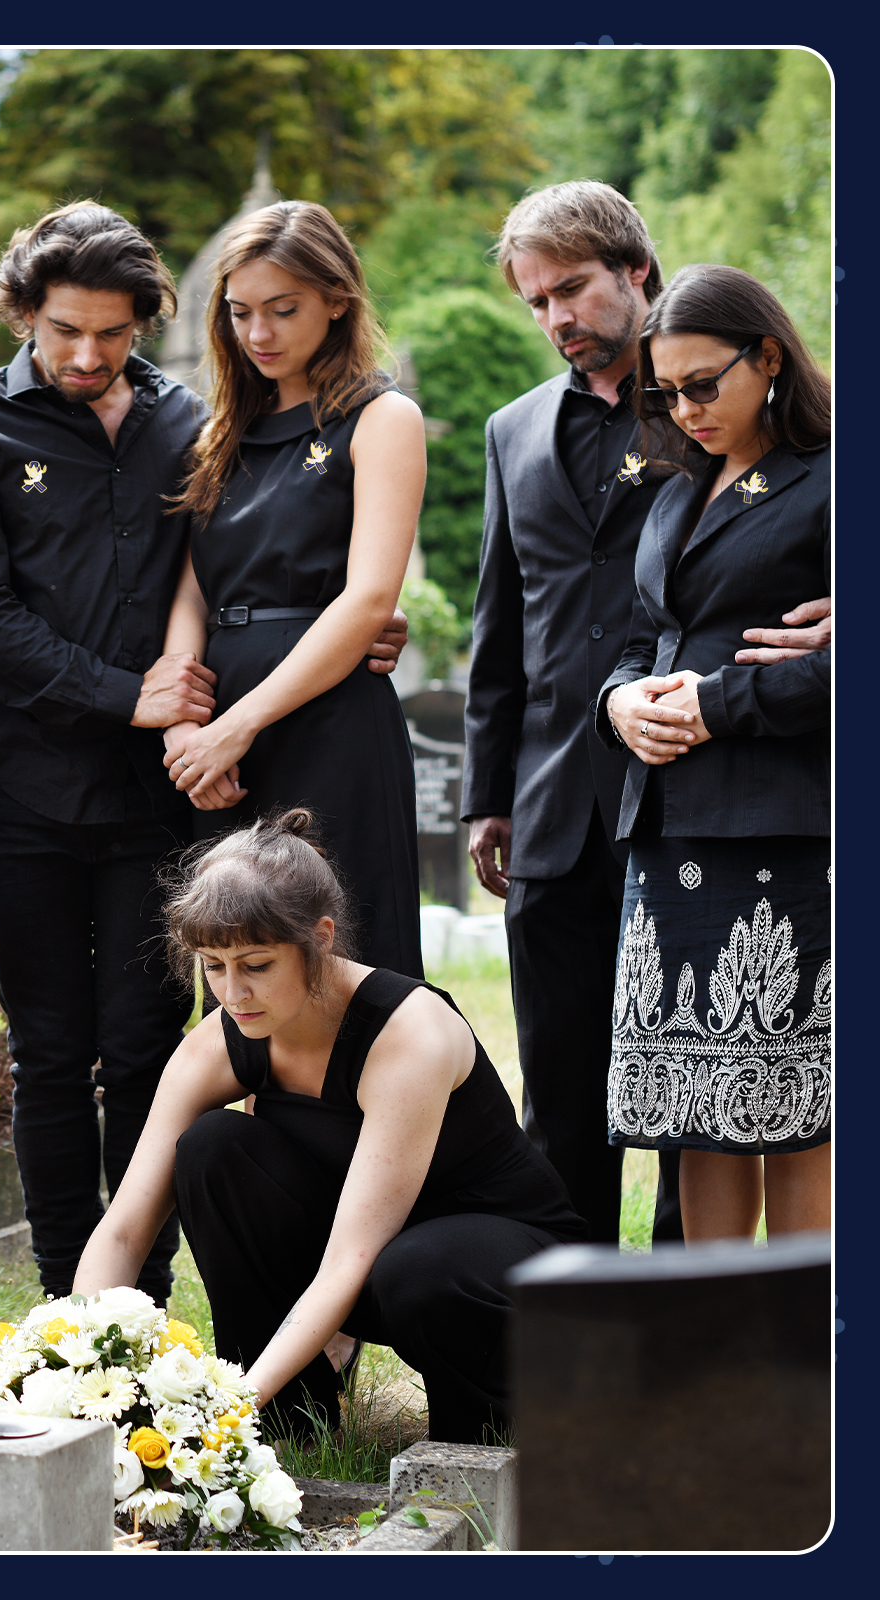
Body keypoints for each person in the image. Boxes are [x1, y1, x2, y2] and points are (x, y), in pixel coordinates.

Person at [0, 200, 417, 1307]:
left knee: (155, 1044)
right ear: (22, 312)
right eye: (63, 331)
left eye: (113, 333)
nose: (87, 356)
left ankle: (140, 1298)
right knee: (50, 1052)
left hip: (164, 800)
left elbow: (260, 565)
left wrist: (337, 634)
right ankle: (64, 1303)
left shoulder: (190, 420)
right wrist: (139, 701)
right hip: (32, 787)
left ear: (146, 321)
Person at [462, 182, 830, 1245]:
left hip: (754, 810)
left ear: (636, 273)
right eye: (536, 301)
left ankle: (743, 1319)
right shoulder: (551, 444)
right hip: (592, 806)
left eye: (571, 288)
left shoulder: (784, 457)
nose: (556, 316)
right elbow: (522, 623)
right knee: (613, 1100)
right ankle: (616, 1326)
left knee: (748, 1112)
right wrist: (513, 776)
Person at [73, 809, 585, 1446]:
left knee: (417, 1269)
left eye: (257, 965)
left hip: (496, 1274)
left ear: (319, 939)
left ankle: (492, 1434)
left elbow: (349, 1261)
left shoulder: (409, 1034)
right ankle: (287, 1428)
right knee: (212, 1149)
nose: (233, 993)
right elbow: (124, 1228)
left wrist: (221, 1413)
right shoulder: (221, 1040)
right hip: (376, 1264)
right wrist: (74, 1366)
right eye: (213, 965)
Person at [596, 264, 830, 1242]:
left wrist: (716, 705)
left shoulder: (834, 477)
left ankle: (812, 1330)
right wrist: (619, 705)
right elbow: (641, 641)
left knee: (796, 1114)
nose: (685, 411)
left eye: (703, 385)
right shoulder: (676, 492)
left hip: (781, 829)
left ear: (767, 356)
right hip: (667, 831)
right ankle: (719, 1332)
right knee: (691, 1113)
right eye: (665, 394)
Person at [161, 200, 426, 975]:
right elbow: (192, 594)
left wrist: (237, 727)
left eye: (284, 310)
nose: (260, 334)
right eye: (241, 312)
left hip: (330, 720)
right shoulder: (216, 433)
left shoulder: (382, 417)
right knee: (239, 963)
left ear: (336, 300)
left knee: (346, 961)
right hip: (221, 738)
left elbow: (370, 599)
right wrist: (187, 733)